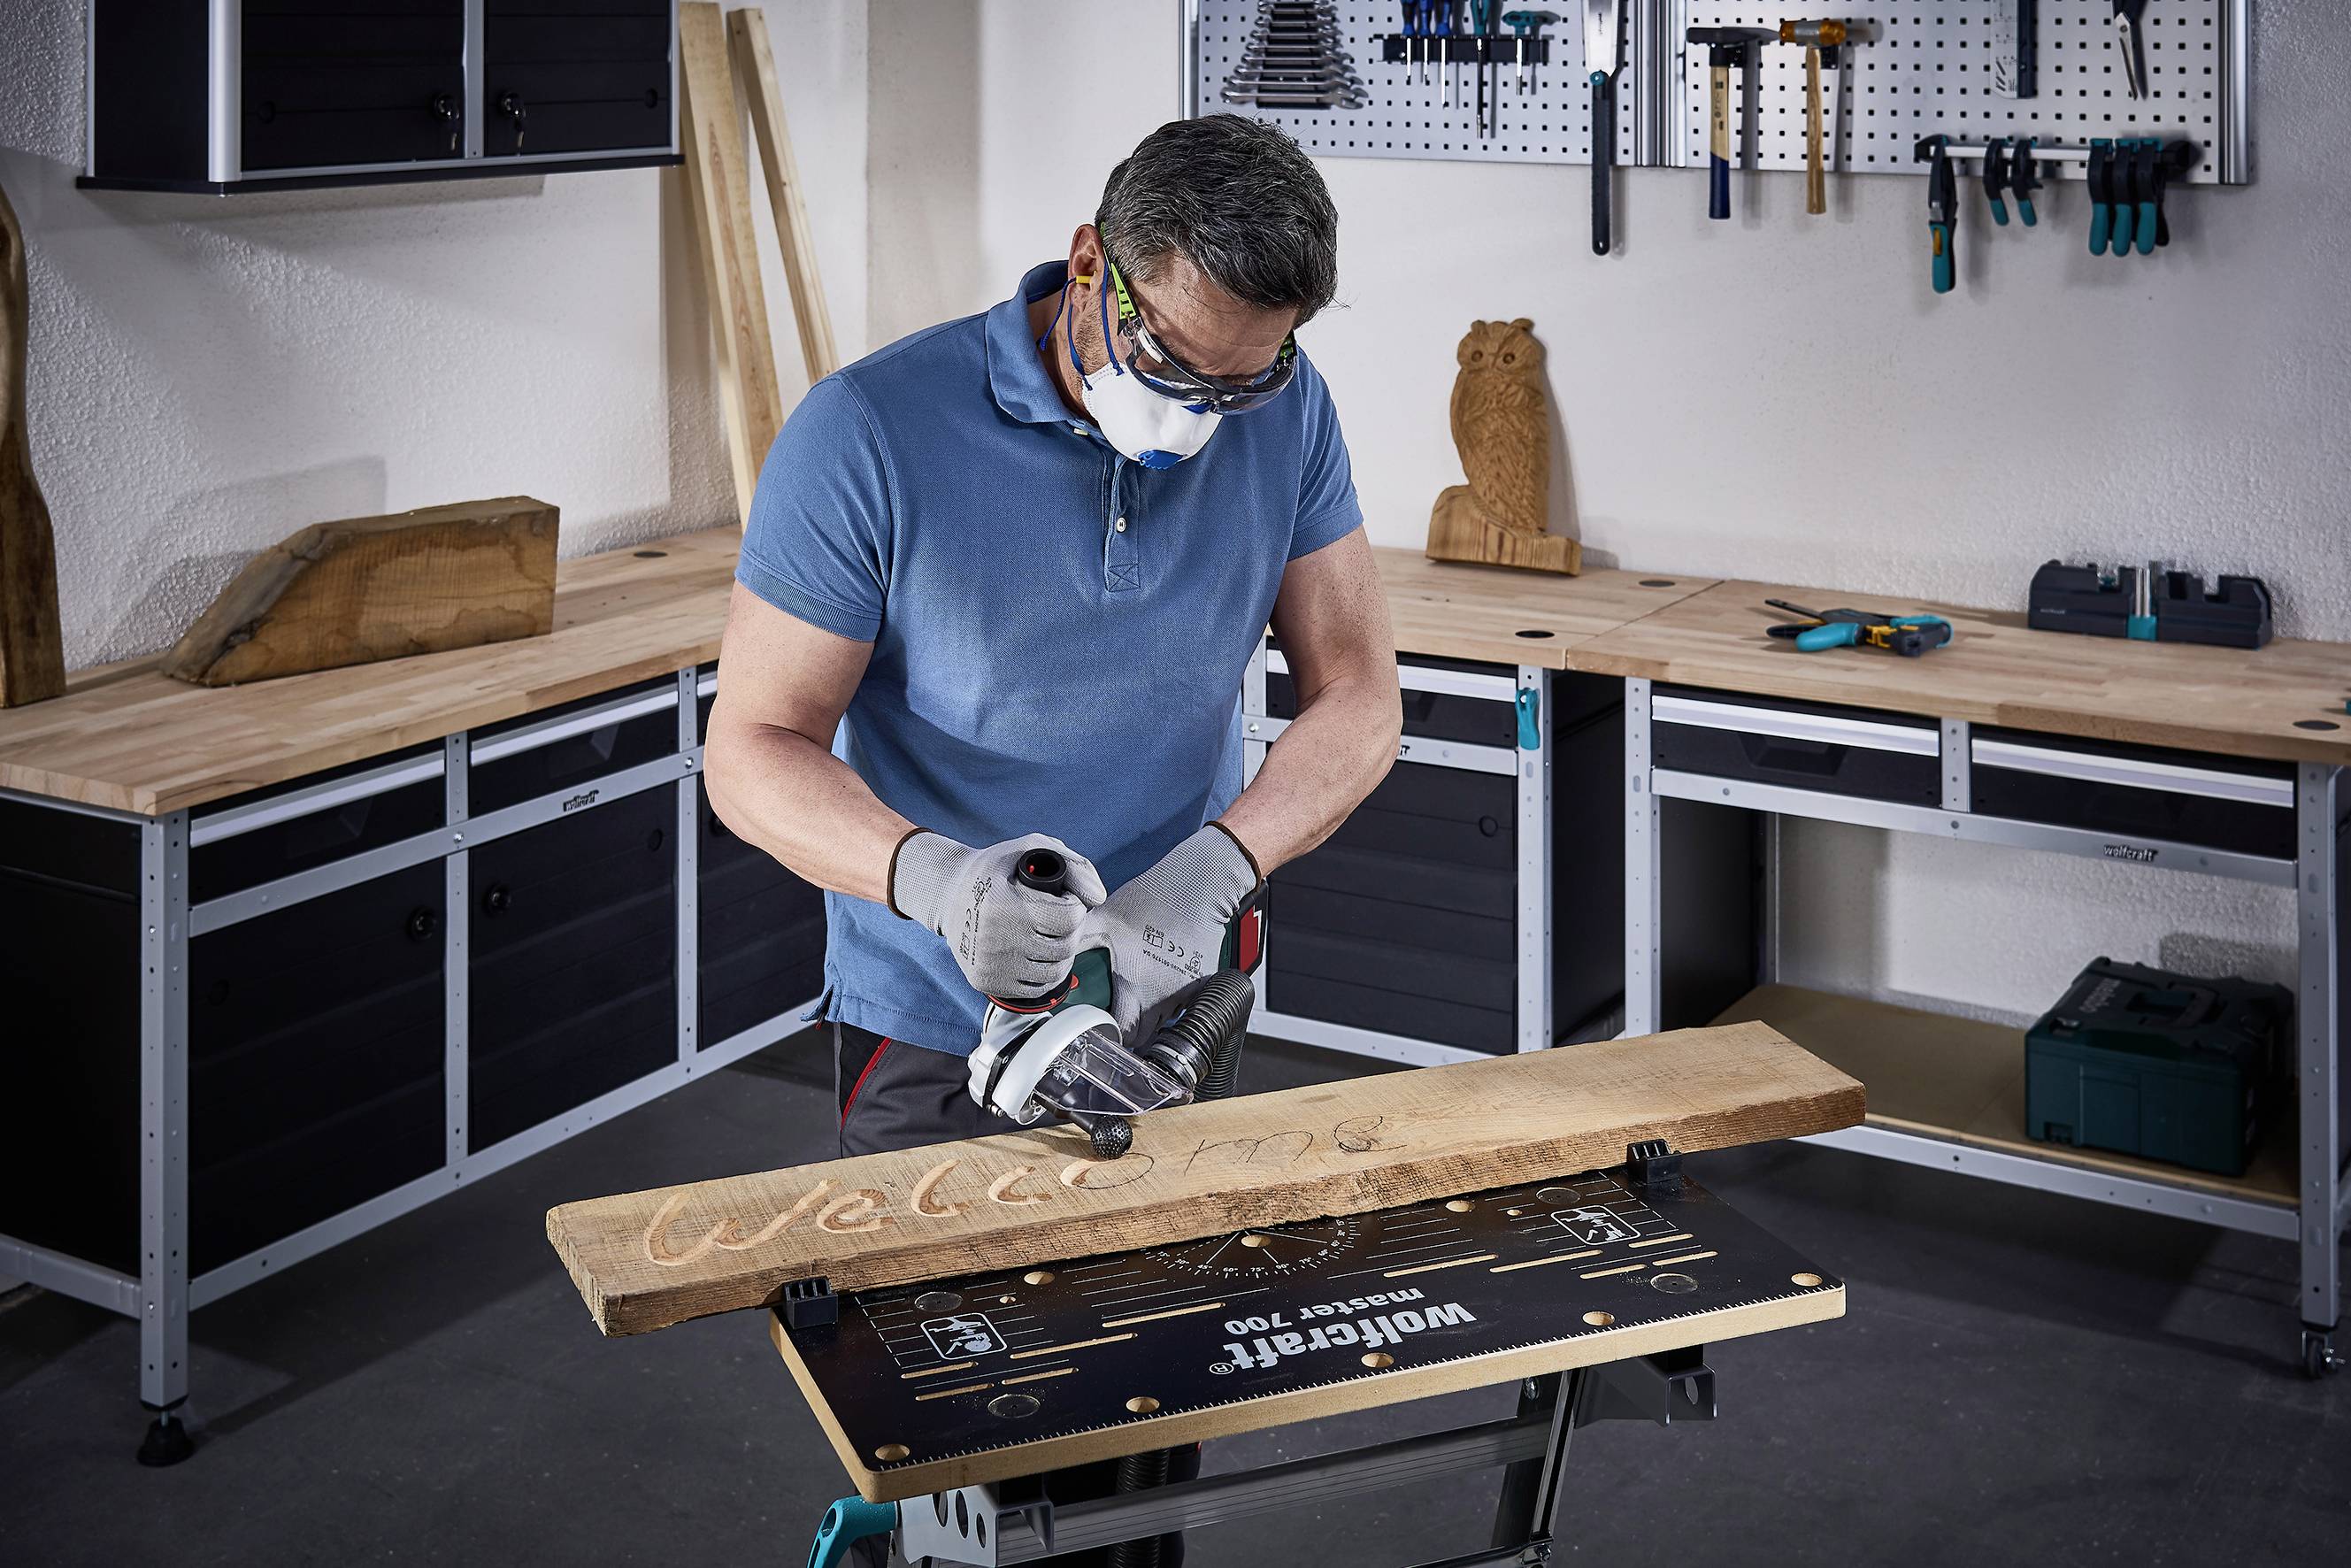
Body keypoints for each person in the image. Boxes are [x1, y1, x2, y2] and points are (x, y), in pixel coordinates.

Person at [706, 113, 1401, 1161]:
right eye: (1169, 360)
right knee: (936, 1318)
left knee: (1171, 1310)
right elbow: (749, 749)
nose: (1199, 415)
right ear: (1089, 266)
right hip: (941, 1019)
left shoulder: (1288, 412)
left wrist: (1214, 872)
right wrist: (934, 882)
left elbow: (1359, 696)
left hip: (1178, 979)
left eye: (1240, 381)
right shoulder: (865, 433)